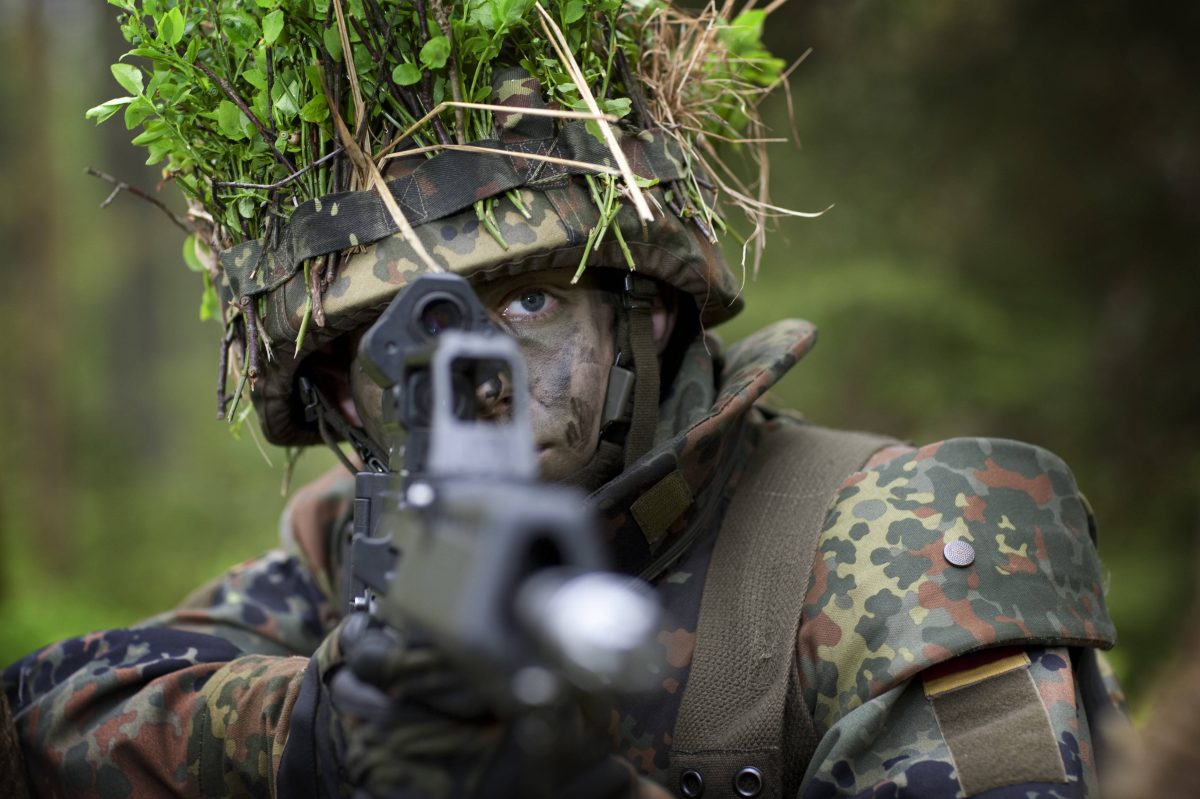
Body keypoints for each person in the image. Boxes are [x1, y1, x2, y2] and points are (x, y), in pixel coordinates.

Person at [2, 2, 1126, 797]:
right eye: (396, 349)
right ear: (338, 396)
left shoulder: (901, 545)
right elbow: (41, 723)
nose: (477, 383)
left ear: (644, 309)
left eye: (531, 305)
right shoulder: (350, 562)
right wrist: (311, 739)